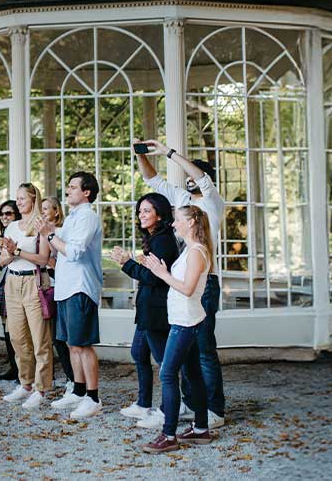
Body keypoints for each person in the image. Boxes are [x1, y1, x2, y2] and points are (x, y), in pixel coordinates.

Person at [137, 139, 226, 429]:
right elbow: (151, 178)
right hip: (180, 281)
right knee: (186, 351)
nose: (189, 181)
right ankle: (191, 404)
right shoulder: (182, 202)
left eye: (192, 176)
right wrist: (139, 153)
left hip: (204, 283)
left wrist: (170, 153)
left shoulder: (211, 204)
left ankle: (214, 410)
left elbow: (201, 178)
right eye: (186, 178)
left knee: (203, 349)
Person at [141, 206, 214, 453]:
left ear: (192, 222)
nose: (173, 225)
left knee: (167, 374)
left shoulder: (196, 252)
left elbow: (187, 289)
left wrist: (161, 273)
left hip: (186, 323)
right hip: (186, 320)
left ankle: (168, 434)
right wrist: (155, 269)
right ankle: (201, 429)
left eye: (178, 220)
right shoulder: (190, 251)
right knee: (192, 375)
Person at [38, 172, 103, 419]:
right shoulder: (74, 218)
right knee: (70, 343)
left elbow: (74, 252)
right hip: (65, 287)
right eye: (68, 186)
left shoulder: (88, 217)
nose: (68, 190)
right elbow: (56, 246)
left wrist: (51, 234)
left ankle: (94, 397)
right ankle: (78, 391)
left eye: (73, 187)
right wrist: (50, 232)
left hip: (80, 287)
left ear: (86, 192)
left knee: (82, 344)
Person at [110, 193, 179, 423]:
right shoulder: (153, 238)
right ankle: (143, 403)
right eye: (140, 211)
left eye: (147, 210)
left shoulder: (163, 240)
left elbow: (153, 278)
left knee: (164, 363)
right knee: (138, 353)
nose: (142, 215)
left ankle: (166, 411)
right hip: (147, 308)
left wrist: (126, 263)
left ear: (160, 214)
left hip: (157, 310)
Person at [0, 183, 53, 409]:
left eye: (22, 198)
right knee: (17, 338)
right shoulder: (11, 227)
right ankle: (25, 384)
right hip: (12, 281)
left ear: (33, 198)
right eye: (17, 198)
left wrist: (18, 251)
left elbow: (44, 259)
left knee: (40, 338)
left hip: (34, 281)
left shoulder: (41, 225)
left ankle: (41, 390)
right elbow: (2, 261)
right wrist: (9, 253)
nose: (18, 202)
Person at [41, 196, 73, 389]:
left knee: (59, 337)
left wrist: (49, 261)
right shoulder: (39, 232)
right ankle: (48, 376)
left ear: (56, 212)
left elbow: (57, 259)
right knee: (48, 336)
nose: (43, 212)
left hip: (56, 286)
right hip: (41, 285)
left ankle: (71, 377)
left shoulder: (60, 232)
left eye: (47, 208)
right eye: (42, 209)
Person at [0, 200, 21, 381]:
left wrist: (8, 251)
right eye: (2, 214)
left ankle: (24, 368)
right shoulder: (1, 236)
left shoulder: (21, 232)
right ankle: (13, 367)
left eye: (8, 213)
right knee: (6, 327)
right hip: (5, 281)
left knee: (19, 328)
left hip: (21, 281)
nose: (4, 217)